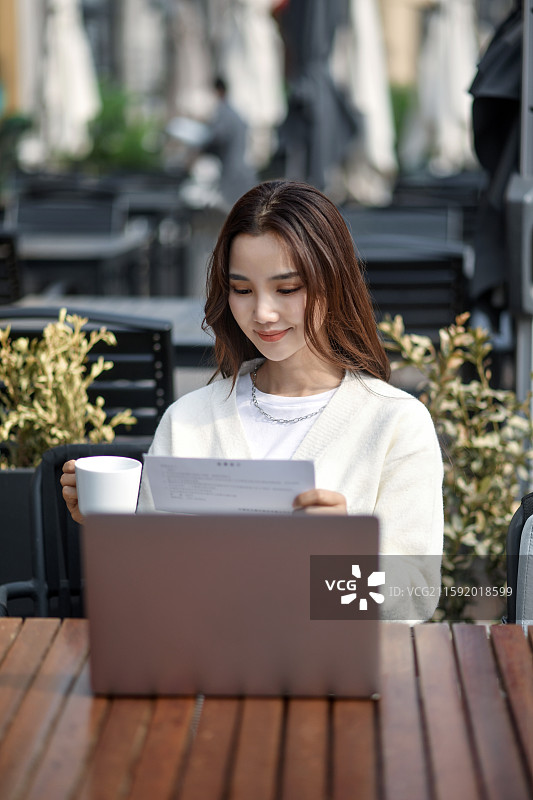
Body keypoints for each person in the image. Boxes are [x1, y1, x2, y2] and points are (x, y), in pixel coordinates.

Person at [62, 179, 444, 619]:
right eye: (242, 290)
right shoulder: (189, 420)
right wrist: (113, 530)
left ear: (333, 283)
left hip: (332, 677)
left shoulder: (395, 423)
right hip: (200, 672)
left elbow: (415, 600)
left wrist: (341, 558)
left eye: (287, 289)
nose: (262, 313)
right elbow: (152, 592)